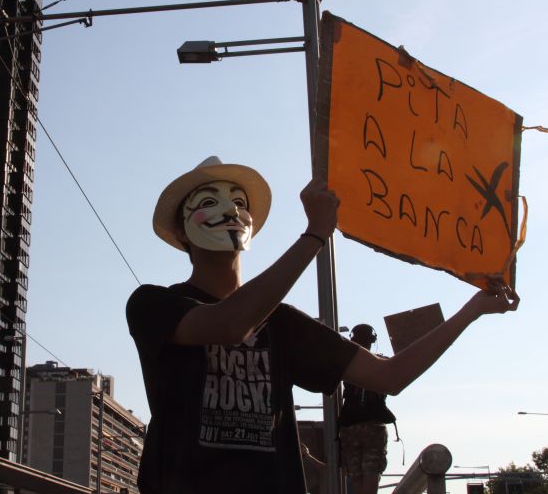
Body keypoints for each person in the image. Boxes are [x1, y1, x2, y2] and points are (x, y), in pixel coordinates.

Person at [125, 156, 519, 494]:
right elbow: (231, 325)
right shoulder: (154, 305)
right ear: (181, 233)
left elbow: (390, 375)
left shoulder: (282, 323)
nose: (229, 211)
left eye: (239, 202)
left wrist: (471, 310)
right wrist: (313, 236)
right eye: (209, 202)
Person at [338, 324, 397, 494]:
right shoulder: (383, 363)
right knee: (371, 472)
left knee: (355, 475)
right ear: (372, 340)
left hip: (350, 427)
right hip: (373, 425)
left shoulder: (346, 362)